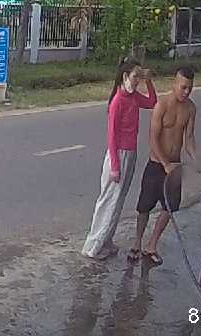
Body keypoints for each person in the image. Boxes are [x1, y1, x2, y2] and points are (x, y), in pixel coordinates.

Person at [82, 57, 159, 259]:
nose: (137, 81)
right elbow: (112, 136)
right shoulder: (118, 101)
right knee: (108, 202)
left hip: (130, 154)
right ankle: (94, 245)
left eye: (139, 77)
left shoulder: (133, 97)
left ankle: (106, 240)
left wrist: (149, 81)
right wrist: (115, 166)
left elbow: (152, 102)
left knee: (117, 202)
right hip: (118, 155)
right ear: (125, 76)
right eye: (135, 76)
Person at [131, 64, 199, 266]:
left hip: (175, 167)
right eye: (183, 87)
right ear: (174, 84)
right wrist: (165, 163)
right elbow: (153, 139)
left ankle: (151, 245)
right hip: (156, 164)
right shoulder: (161, 105)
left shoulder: (191, 108)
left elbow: (189, 138)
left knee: (170, 208)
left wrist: (195, 158)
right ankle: (137, 243)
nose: (186, 92)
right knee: (144, 207)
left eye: (189, 88)